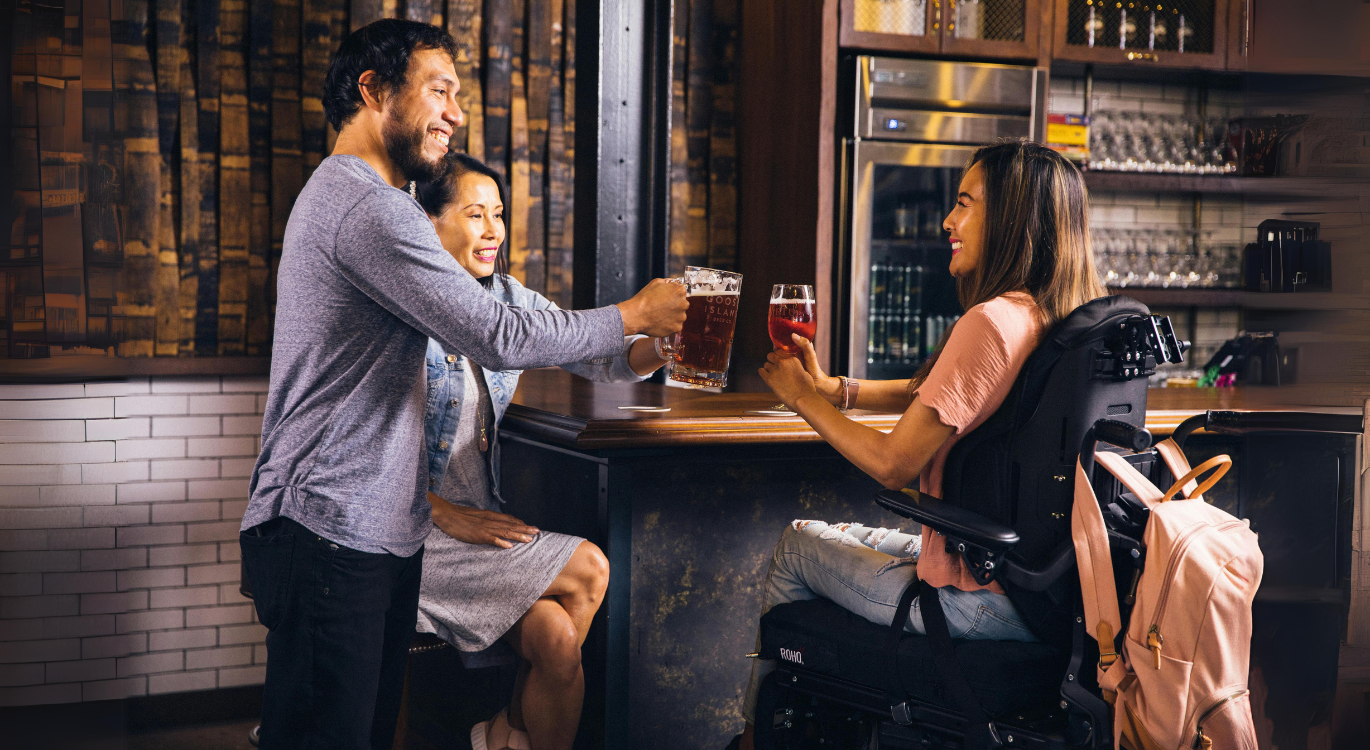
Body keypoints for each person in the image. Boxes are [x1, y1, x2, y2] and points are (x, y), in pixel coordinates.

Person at [237, 20, 688, 750]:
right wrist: (632, 311)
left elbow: (515, 326)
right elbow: (497, 336)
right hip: (329, 529)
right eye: (439, 91)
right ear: (375, 91)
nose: (455, 113)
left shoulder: (358, 199)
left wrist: (641, 340)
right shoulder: (370, 206)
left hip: (363, 531)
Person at [734, 142, 1105, 750]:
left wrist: (804, 400)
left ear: (1011, 218)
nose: (947, 223)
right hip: (1033, 590)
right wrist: (834, 388)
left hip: (976, 601)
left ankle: (756, 739)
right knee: (822, 540)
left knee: (798, 546)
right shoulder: (1054, 313)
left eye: (964, 204)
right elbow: (940, 393)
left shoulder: (989, 321)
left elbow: (892, 464)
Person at [412, 154, 669, 750]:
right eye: (475, 215)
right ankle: (500, 735)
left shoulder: (507, 297)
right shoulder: (406, 306)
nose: (494, 231)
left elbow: (602, 358)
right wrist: (442, 511)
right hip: (412, 534)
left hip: (483, 528)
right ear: (428, 224)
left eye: (498, 215)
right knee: (590, 568)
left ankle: (504, 736)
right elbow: (361, 444)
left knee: (556, 640)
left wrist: (661, 344)